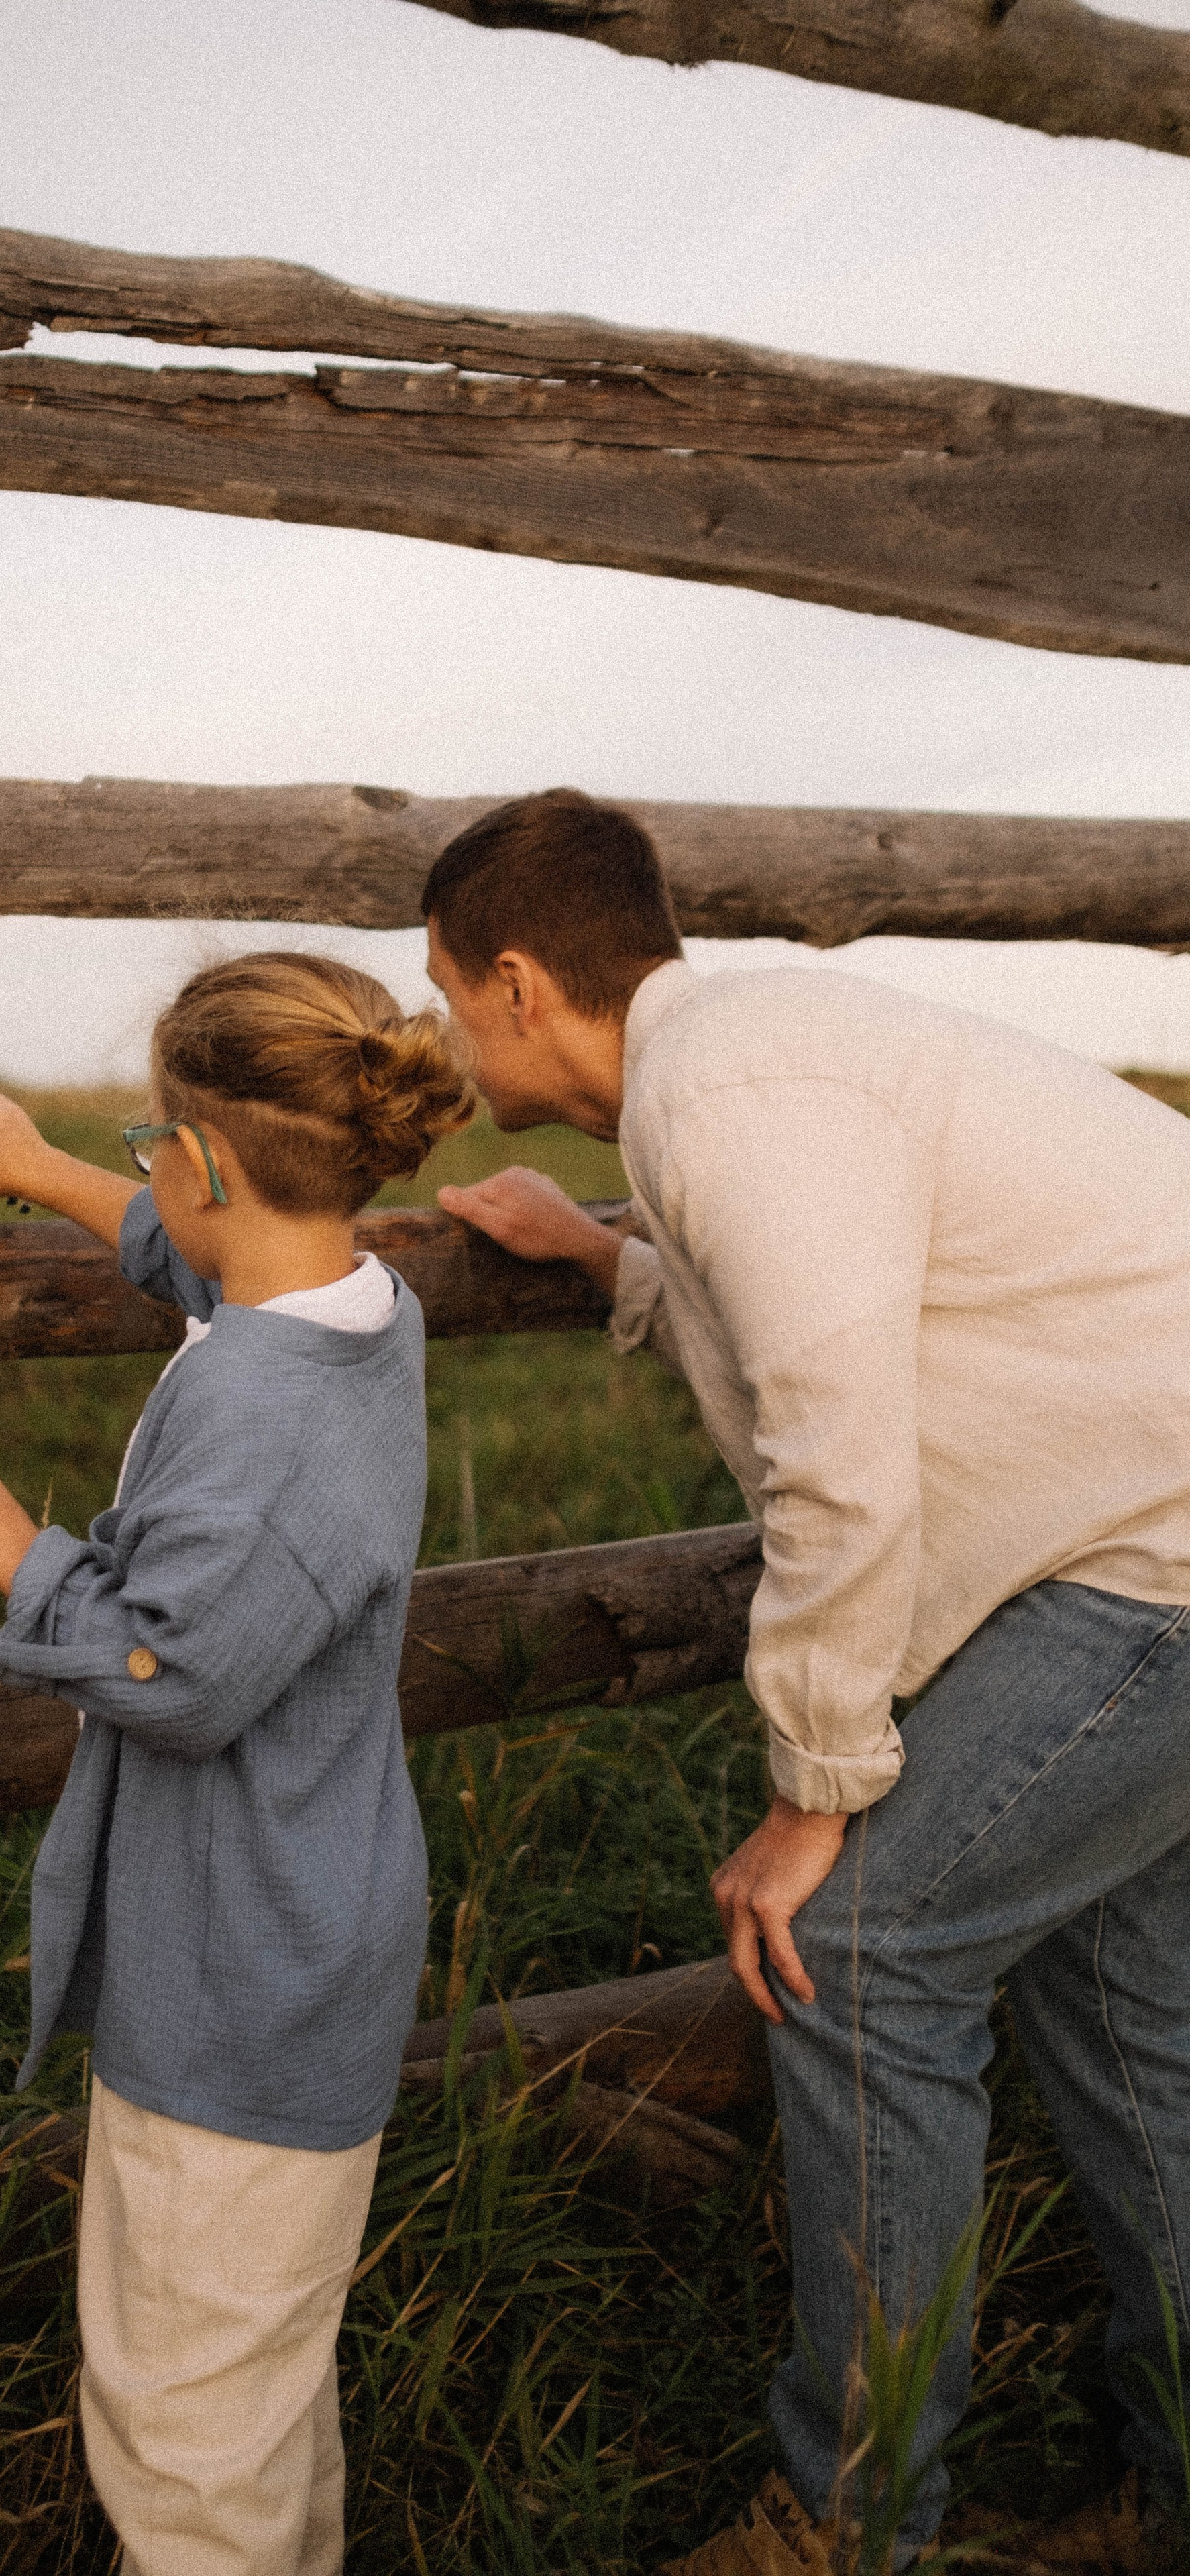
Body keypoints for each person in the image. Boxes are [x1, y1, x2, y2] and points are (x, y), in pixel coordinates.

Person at [419, 788, 1190, 2574]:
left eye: (453, 995)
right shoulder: (751, 1066)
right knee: (1127, 2009)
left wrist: (812, 1796)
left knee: (860, 1945)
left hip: (1158, 1568)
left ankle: (846, 2531)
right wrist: (609, 1258)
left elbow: (841, 1446)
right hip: (1157, 1545)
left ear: (520, 982)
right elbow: (844, 1298)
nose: (455, 1035)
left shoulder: (737, 1097)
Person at [0, 952, 474, 2576]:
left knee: (181, 2432)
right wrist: (43, 1168)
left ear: (206, 1161)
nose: (141, 1171)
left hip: (235, 1979)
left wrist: (20, 1555)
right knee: (258, 2397)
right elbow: (205, 1265)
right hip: (304, 1934)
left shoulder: (267, 1411)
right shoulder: (352, 1311)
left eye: (148, 1145)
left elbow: (175, 1669)